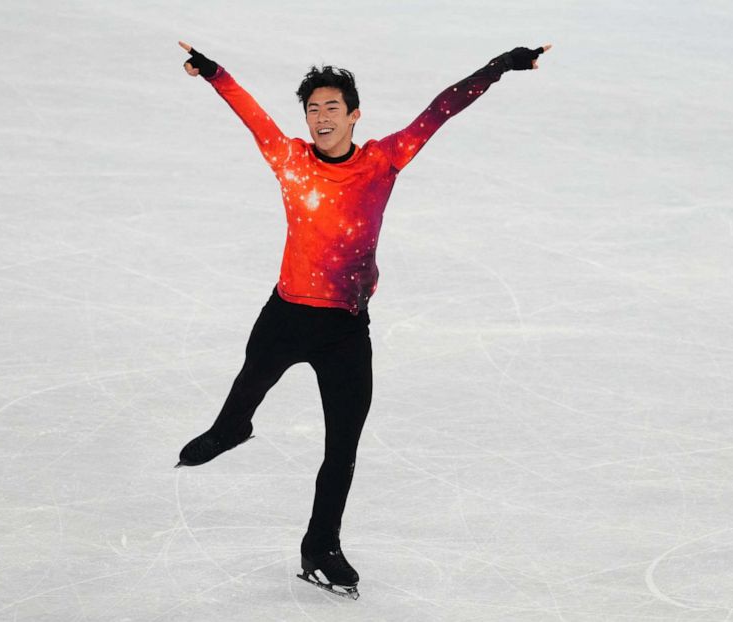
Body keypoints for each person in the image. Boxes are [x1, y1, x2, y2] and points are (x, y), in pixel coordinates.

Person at [175, 39, 551, 599]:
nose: (321, 118)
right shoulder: (289, 157)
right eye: (312, 109)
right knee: (243, 396)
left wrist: (501, 65)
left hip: (345, 330)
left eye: (332, 108)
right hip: (284, 317)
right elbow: (249, 112)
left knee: (342, 448)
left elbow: (442, 108)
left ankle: (320, 546)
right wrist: (213, 72)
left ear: (354, 114)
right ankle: (232, 429)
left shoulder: (383, 159)